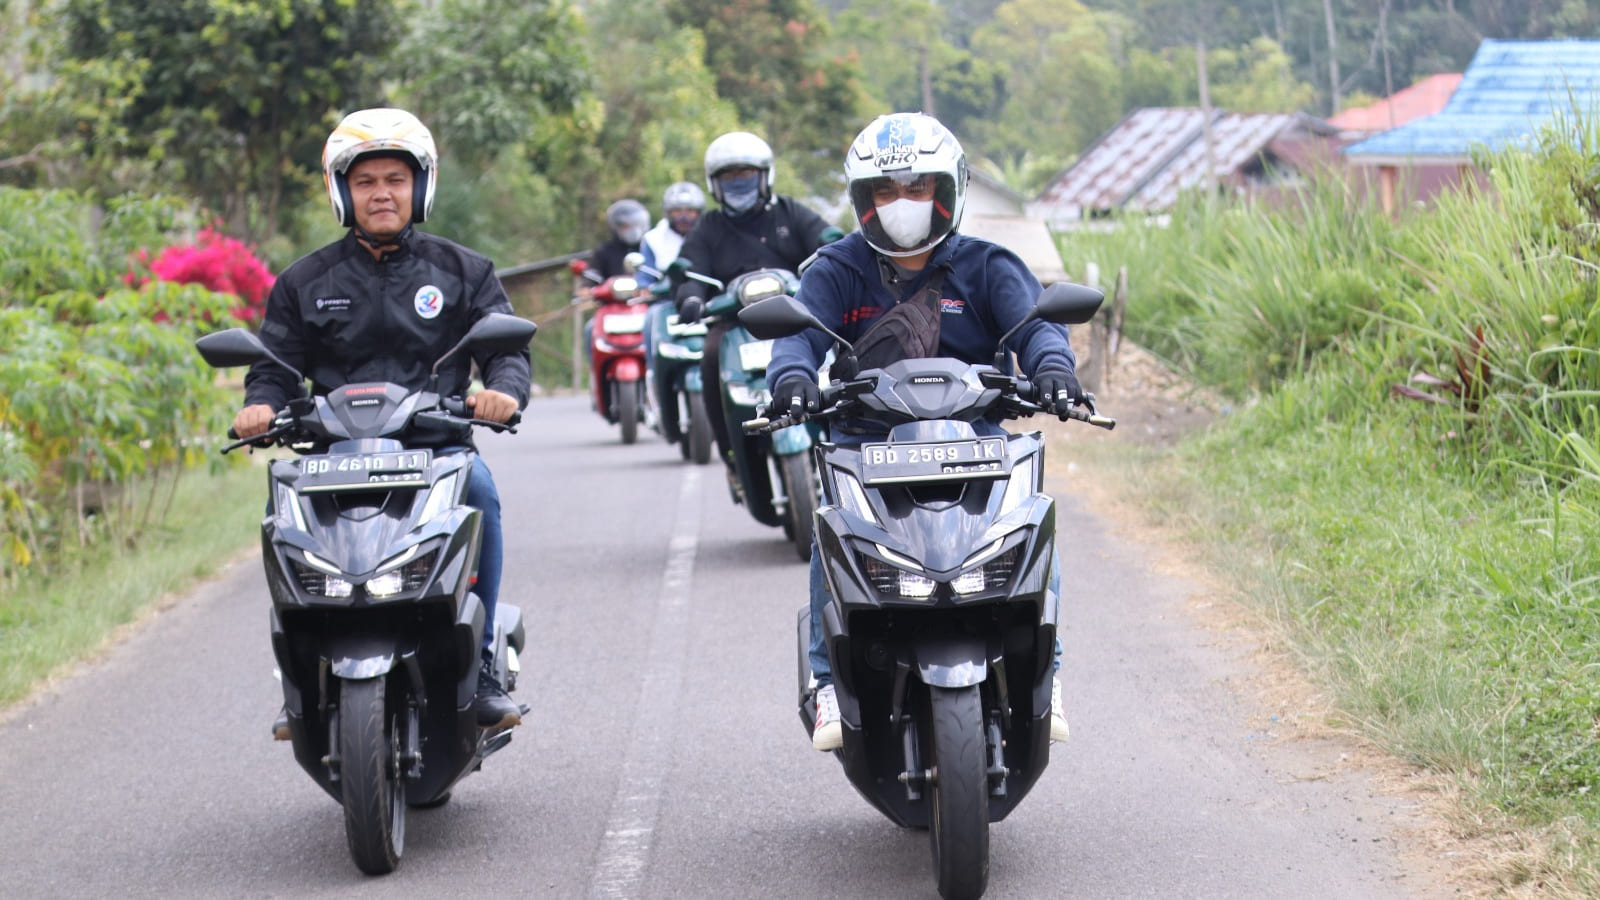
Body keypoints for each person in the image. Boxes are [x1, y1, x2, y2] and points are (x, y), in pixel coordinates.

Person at [763, 112, 1083, 752]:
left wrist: (1052, 370)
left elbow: (1040, 327)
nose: (901, 205)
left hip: (980, 443)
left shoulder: (992, 265)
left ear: (948, 192)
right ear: (862, 201)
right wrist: (792, 379)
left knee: (1032, 520)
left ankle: (1047, 671)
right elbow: (796, 334)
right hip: (865, 445)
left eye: (916, 188)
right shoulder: (835, 269)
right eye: (885, 191)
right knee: (835, 527)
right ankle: (829, 679)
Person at [233, 107, 530, 732]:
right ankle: (300, 683)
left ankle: (479, 671)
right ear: (342, 192)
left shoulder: (464, 271)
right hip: (332, 459)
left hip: (436, 451)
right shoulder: (302, 282)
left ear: (420, 186)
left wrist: (502, 391)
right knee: (278, 518)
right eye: (365, 182)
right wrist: (259, 405)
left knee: (482, 491)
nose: (382, 194)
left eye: (395, 179)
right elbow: (273, 367)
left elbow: (504, 351)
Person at [672, 131, 835, 476]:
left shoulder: (791, 212)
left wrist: (834, 247)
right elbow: (690, 271)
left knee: (842, 351)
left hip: (795, 317)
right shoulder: (708, 227)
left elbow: (828, 242)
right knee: (710, 358)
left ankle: (850, 441)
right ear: (713, 184)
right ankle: (731, 455)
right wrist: (689, 297)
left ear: (764, 175)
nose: (738, 184)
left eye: (745, 175)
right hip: (733, 324)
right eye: (728, 177)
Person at [636, 181, 705, 288]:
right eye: (677, 211)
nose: (684, 217)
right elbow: (645, 279)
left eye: (690, 211)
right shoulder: (653, 239)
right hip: (665, 300)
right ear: (668, 212)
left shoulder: (710, 235)